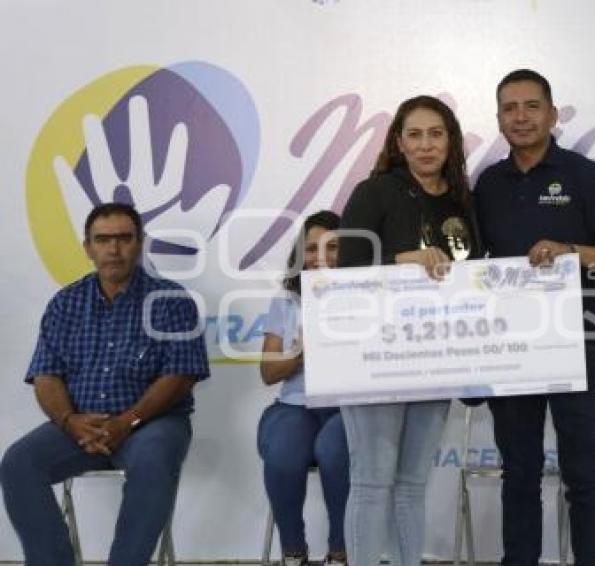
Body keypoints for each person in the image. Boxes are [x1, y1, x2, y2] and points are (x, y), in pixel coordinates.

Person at [474, 69, 595, 566]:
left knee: (583, 474)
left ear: (552, 113)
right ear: (499, 118)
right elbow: (473, 268)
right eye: (510, 108)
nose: (520, 117)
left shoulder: (584, 175)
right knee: (519, 473)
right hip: (513, 351)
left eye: (531, 106)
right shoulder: (487, 184)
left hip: (575, 346)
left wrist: (570, 251)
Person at [0, 203, 209, 566]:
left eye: (124, 238)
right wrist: (69, 420)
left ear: (139, 243)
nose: (114, 249)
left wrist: (126, 421)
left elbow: (179, 376)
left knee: (152, 460)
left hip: (153, 423)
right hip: (79, 423)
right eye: (103, 239)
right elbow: (45, 375)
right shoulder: (65, 303)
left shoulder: (172, 301)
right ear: (88, 247)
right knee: (18, 463)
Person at [336, 95, 480, 565]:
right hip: (374, 356)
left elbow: (475, 276)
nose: (425, 145)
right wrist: (404, 260)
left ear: (450, 141)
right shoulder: (373, 191)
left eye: (435, 134)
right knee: (373, 482)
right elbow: (346, 271)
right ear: (399, 142)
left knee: (413, 485)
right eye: (414, 135)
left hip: (435, 358)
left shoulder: (463, 200)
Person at [257, 210, 349, 566]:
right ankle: (293, 551)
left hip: (347, 406)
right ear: (300, 255)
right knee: (282, 454)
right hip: (296, 404)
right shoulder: (285, 301)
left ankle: (340, 551)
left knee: (334, 452)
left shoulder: (370, 297)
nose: (320, 258)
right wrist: (301, 352)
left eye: (333, 247)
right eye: (311, 249)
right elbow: (267, 372)